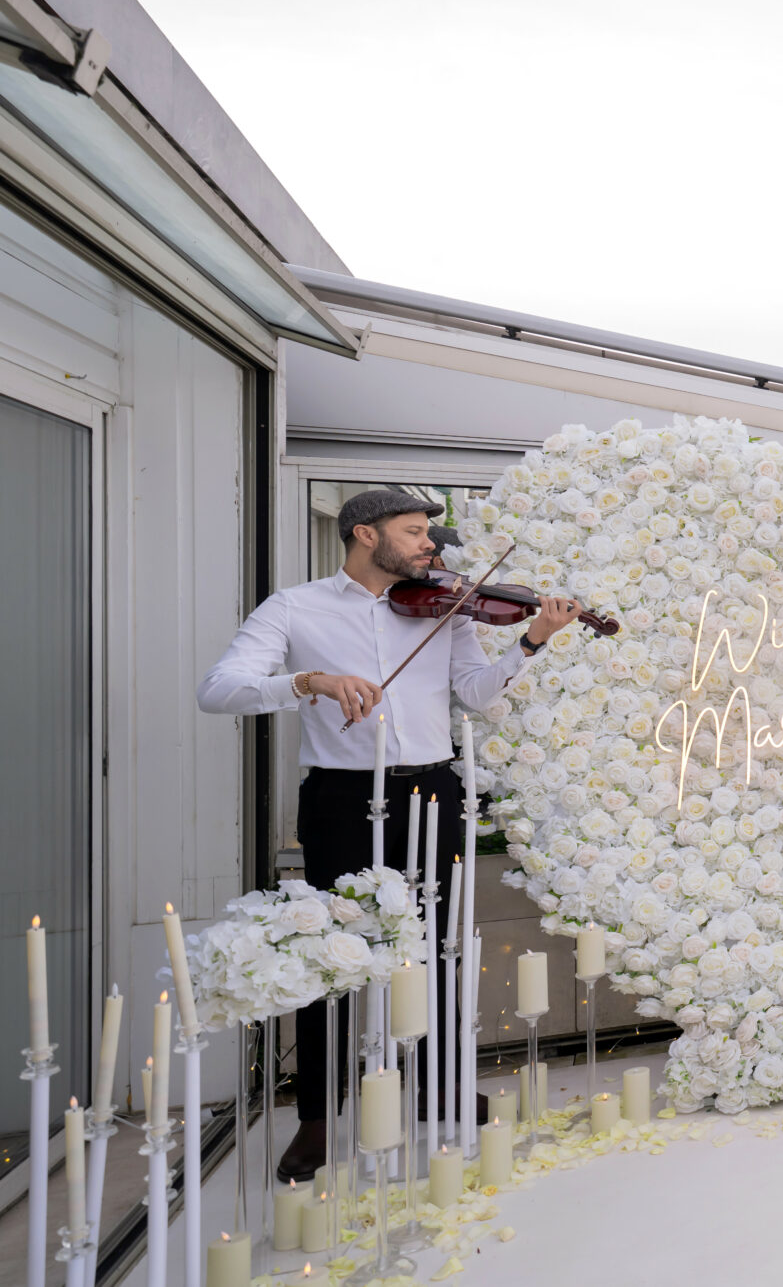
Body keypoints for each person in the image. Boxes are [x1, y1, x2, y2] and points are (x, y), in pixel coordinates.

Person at [197, 488, 577, 1180]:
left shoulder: (446, 607)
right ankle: (318, 1116)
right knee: (327, 953)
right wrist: (307, 680)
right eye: (413, 531)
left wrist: (531, 641)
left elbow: (477, 692)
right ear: (365, 535)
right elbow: (218, 688)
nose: (431, 545)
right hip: (340, 797)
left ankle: (440, 1087)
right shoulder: (295, 606)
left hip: (436, 787)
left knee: (444, 947)